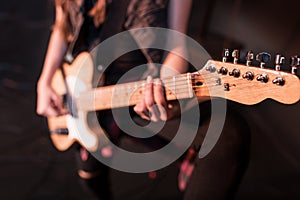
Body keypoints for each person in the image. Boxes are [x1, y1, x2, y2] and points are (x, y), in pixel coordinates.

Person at [36, 0, 250, 199]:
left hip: (143, 84)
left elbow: (178, 45)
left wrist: (163, 84)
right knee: (90, 181)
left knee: (229, 134)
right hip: (87, 92)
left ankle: (185, 157)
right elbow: (62, 27)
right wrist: (44, 81)